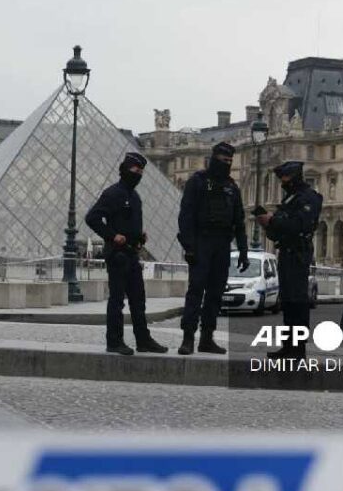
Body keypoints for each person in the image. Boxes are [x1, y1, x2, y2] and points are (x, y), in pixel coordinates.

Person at [85, 152, 169, 356]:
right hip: (117, 255)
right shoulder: (112, 193)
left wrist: (140, 238)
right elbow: (92, 218)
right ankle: (114, 341)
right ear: (125, 169)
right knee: (117, 300)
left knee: (138, 300)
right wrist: (112, 236)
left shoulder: (135, 196)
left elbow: (130, 224)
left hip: (132, 254)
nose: (139, 174)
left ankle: (143, 340)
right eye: (135, 170)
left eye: (141, 171)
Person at [177, 141, 248, 355]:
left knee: (216, 294)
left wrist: (243, 250)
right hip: (201, 242)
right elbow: (185, 216)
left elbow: (239, 221)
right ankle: (188, 337)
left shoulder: (232, 187)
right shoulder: (197, 182)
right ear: (214, 158)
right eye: (223, 160)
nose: (226, 163)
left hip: (222, 245)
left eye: (229, 161)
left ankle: (207, 337)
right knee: (196, 290)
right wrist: (189, 246)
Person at [255, 160, 322, 359]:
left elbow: (300, 224)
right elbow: (278, 232)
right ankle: (288, 346)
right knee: (288, 301)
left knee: (298, 301)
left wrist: (273, 220)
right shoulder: (290, 199)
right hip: (286, 251)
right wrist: (268, 225)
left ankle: (298, 349)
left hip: (299, 253)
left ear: (294, 176)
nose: (282, 182)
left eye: (285, 178)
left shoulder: (309, 197)